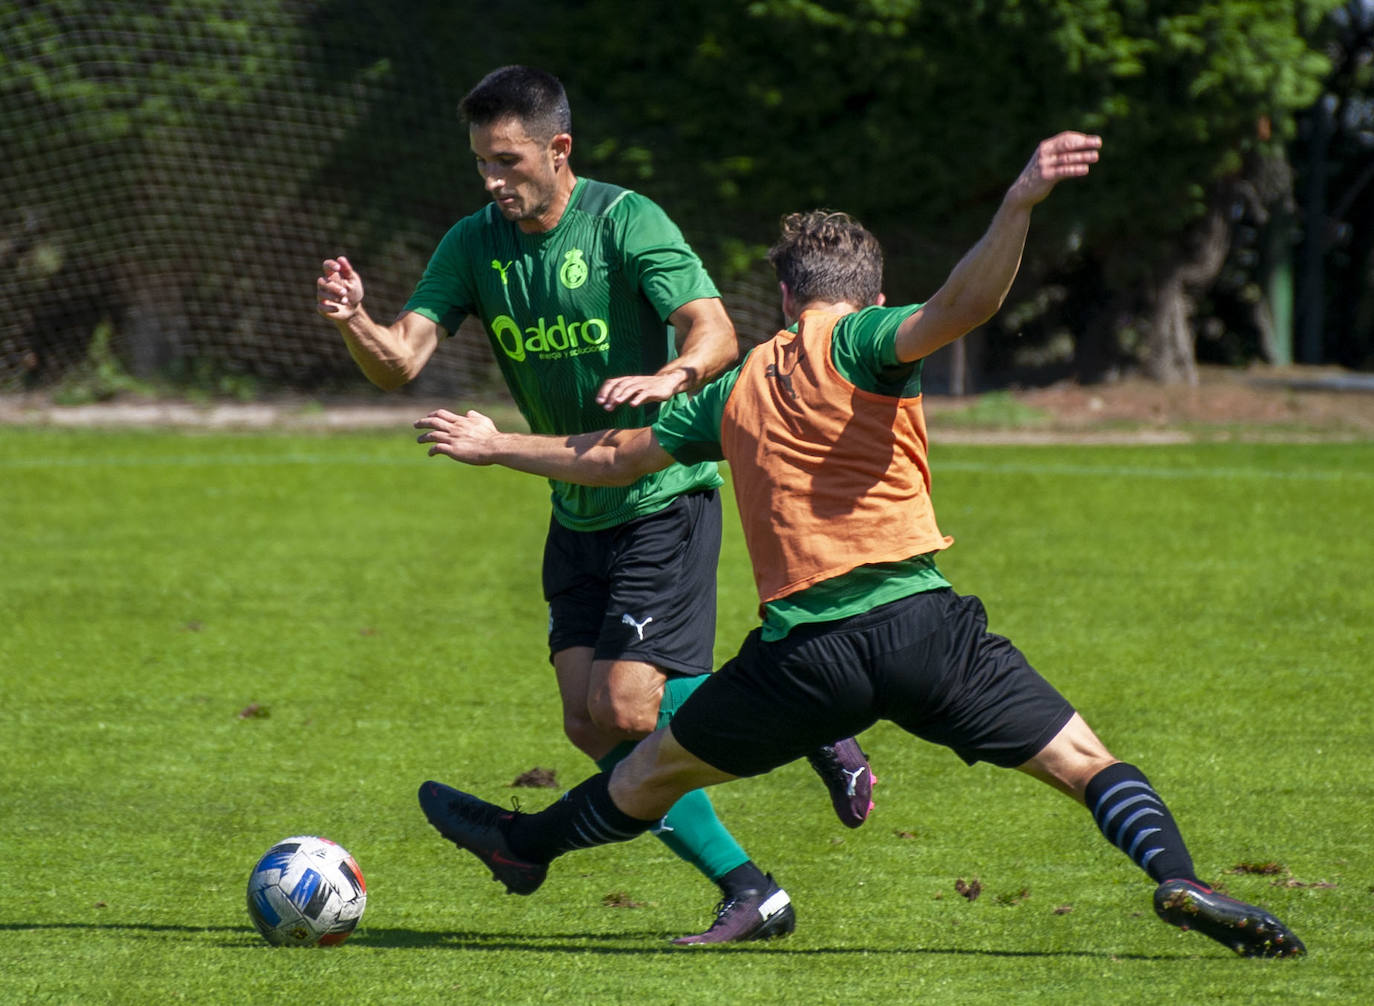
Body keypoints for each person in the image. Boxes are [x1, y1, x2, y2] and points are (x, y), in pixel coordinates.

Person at [410, 130, 1306, 958]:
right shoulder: (872, 339)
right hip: (926, 629)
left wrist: (492, 446)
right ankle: (1178, 878)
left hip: (802, 659)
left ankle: (523, 847)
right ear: (871, 297)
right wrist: (1017, 207)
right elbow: (964, 303)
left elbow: (609, 458)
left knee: (645, 772)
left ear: (788, 296)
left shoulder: (735, 387)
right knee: (1083, 763)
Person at [314, 65, 873, 944]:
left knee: (624, 708)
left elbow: (716, 328)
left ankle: (812, 722)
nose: (493, 181)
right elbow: (402, 360)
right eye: (481, 164)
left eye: (507, 162)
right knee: (588, 721)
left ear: (558, 149)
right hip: (574, 505)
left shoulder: (623, 220)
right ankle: (750, 888)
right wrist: (355, 319)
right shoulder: (472, 244)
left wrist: (672, 373)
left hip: (660, 494)